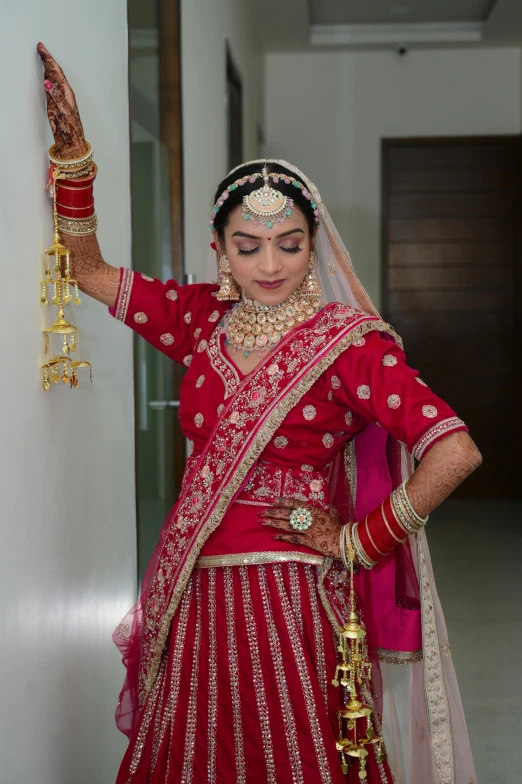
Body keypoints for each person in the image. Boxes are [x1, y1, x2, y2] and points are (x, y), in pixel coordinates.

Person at [37, 43, 481, 784]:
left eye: (289, 245)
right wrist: (74, 158)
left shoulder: (346, 347)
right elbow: (86, 270)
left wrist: (363, 540)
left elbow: (455, 450)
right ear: (219, 252)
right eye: (248, 247)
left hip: (295, 596)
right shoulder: (200, 320)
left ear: (315, 249)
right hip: (200, 590)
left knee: (292, 753)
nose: (270, 266)